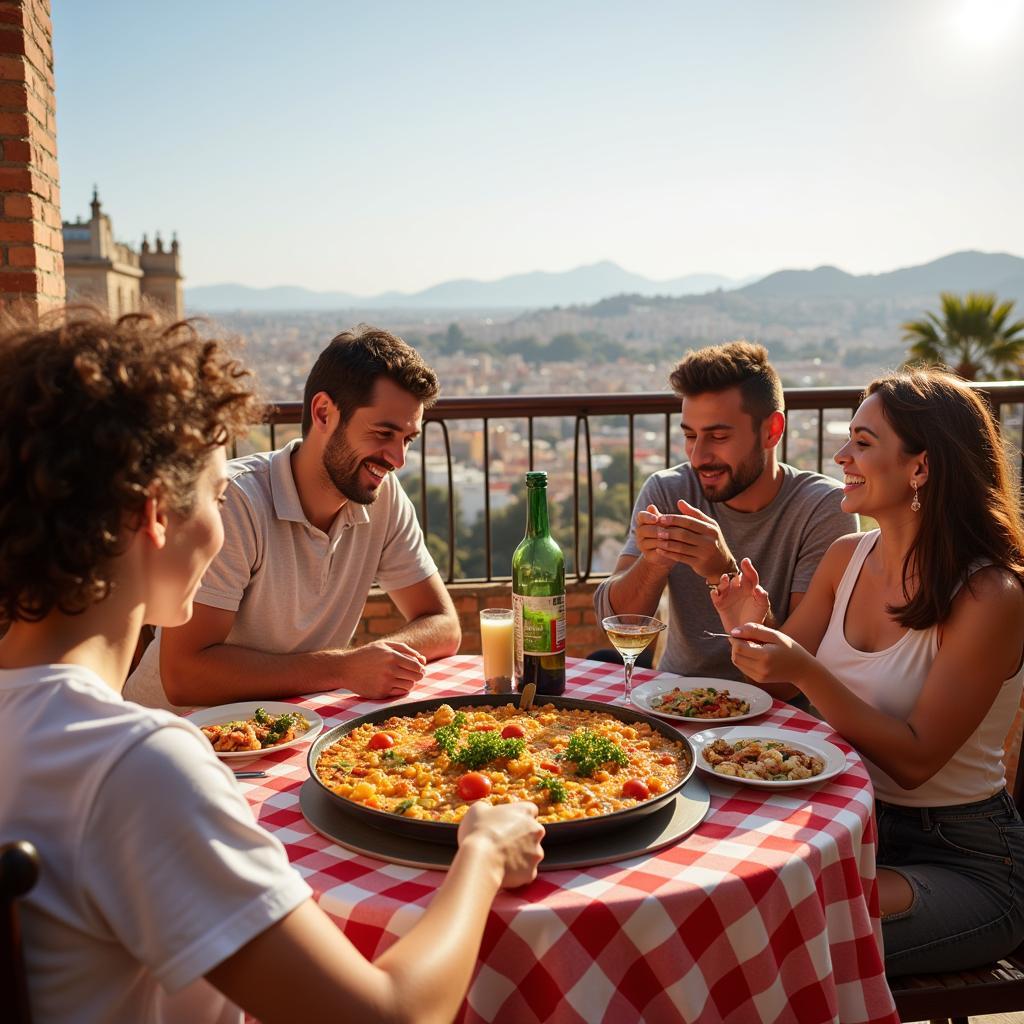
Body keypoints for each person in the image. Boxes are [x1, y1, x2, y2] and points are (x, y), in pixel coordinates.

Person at [0, 310, 544, 1024]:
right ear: (153, 515)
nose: (225, 519)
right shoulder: (137, 768)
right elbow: (391, 1017)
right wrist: (481, 851)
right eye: (218, 495)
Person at [714, 367, 1024, 975]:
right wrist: (749, 629)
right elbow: (777, 682)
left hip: (962, 855)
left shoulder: (991, 595)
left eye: (862, 442)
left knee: (781, 941)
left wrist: (804, 668)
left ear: (921, 467)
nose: (841, 455)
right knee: (734, 911)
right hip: (847, 822)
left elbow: (913, 763)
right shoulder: (846, 558)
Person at [126, 323, 461, 711]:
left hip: (287, 731)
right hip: (177, 739)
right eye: (384, 432)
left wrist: (366, 663)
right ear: (324, 413)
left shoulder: (380, 496)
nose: (397, 459)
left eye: (407, 439)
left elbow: (442, 623)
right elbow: (184, 677)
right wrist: (342, 668)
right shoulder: (235, 501)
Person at [593, 340, 855, 686]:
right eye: (690, 435)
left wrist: (723, 572)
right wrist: (653, 563)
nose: (698, 456)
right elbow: (619, 626)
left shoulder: (822, 509)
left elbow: (790, 681)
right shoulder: (668, 491)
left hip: (780, 719)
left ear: (771, 431)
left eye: (717, 436)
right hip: (674, 697)